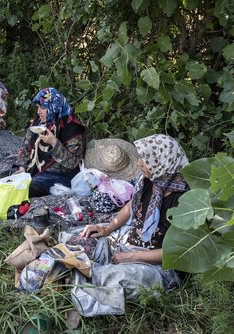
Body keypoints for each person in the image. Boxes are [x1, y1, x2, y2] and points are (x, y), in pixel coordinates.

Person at [72, 134, 189, 315]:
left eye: (146, 159)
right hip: (127, 241)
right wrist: (107, 228)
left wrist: (131, 257)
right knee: (79, 240)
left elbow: (178, 252)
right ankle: (77, 274)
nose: (139, 163)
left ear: (163, 162)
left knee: (113, 278)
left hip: (159, 266)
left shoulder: (185, 201)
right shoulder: (150, 181)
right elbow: (130, 206)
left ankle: (77, 281)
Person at [15, 87, 86, 197]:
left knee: (28, 186)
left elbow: (72, 163)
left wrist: (54, 143)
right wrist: (22, 168)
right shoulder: (39, 123)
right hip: (34, 170)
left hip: (59, 175)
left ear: (55, 107)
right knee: (8, 179)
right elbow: (25, 148)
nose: (38, 112)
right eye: (38, 107)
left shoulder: (72, 129)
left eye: (43, 108)